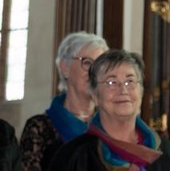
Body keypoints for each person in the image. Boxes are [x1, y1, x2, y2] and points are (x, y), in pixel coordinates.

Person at [47, 49, 170, 170]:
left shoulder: (168, 155)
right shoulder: (73, 157)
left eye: (130, 81)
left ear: (141, 92)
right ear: (95, 95)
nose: (123, 90)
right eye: (111, 82)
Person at [19, 32, 108, 170]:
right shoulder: (39, 128)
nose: (94, 73)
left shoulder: (109, 127)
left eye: (100, 66)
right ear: (65, 67)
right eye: (87, 63)